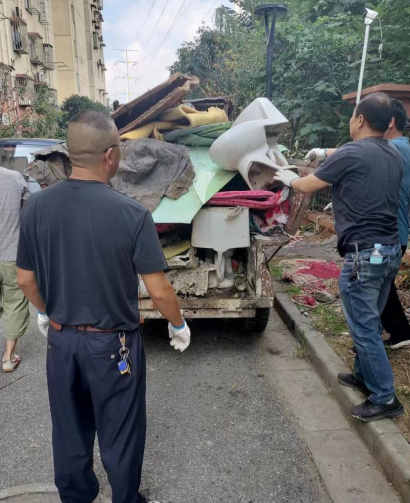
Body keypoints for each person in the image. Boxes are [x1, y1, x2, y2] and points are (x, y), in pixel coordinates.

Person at [16, 111, 191, 503]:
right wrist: (178, 324)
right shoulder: (132, 213)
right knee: (121, 433)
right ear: (111, 156)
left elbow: (25, 280)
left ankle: (77, 496)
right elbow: (160, 290)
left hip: (61, 342)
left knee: (69, 430)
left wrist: (46, 311)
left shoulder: (37, 207)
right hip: (114, 345)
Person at [274, 92, 404, 422]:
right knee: (370, 319)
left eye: (352, 116)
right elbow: (350, 157)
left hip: (364, 255)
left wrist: (289, 177)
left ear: (360, 119)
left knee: (363, 327)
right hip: (389, 250)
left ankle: (385, 397)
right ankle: (364, 376)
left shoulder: (352, 152)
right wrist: (325, 154)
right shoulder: (392, 153)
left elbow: (305, 186)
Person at [306, 98, 410, 350]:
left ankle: (374, 347)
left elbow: (356, 153)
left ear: (389, 122)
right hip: (393, 237)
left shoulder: (390, 149)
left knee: (367, 301)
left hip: (374, 240)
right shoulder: (401, 148)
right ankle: (382, 340)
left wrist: (323, 154)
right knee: (377, 293)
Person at [0, 166, 30, 373]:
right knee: (14, 302)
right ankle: (9, 358)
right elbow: (28, 212)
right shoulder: (14, 177)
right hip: (11, 252)